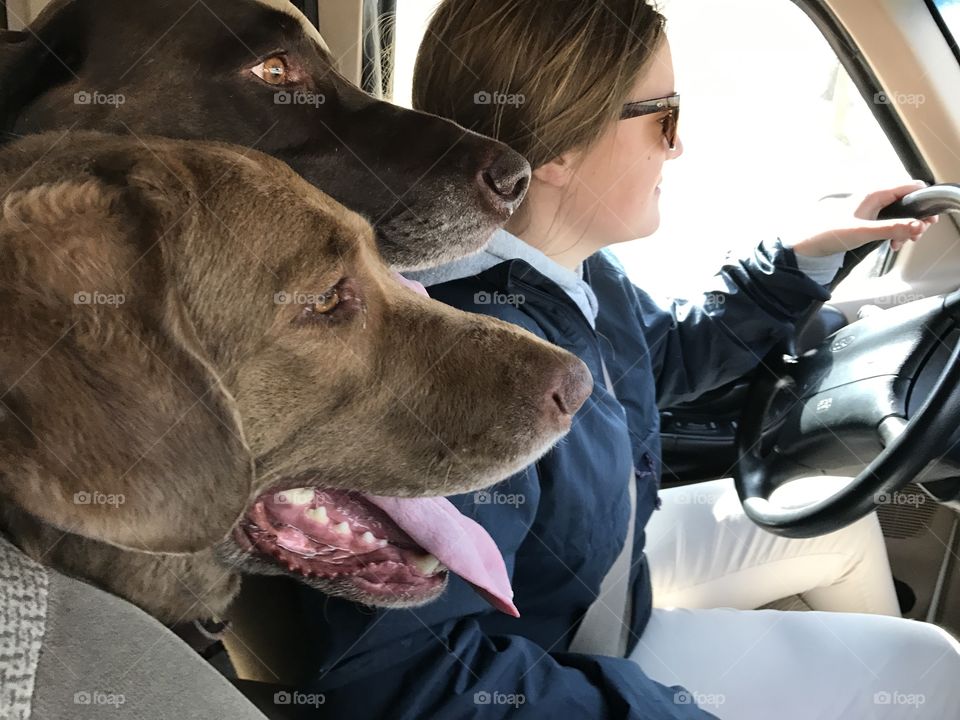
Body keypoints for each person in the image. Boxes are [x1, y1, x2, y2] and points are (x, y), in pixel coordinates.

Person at [293, 2, 960, 717]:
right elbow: (408, 680)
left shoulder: (568, 270)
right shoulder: (460, 363)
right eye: (663, 118)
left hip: (603, 566)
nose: (678, 148)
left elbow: (660, 358)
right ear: (556, 153)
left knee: (843, 518)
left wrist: (795, 262)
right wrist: (656, 707)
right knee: (927, 666)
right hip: (570, 646)